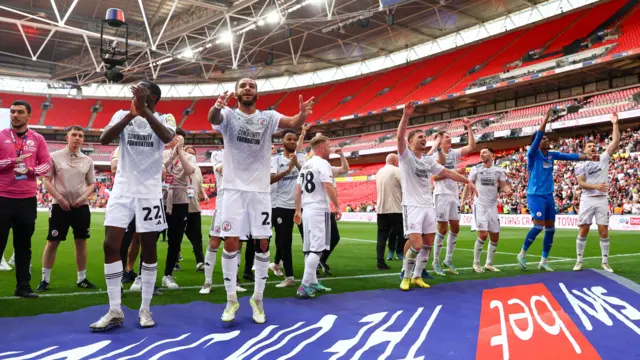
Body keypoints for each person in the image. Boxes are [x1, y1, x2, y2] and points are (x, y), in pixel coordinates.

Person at [208, 78, 314, 324]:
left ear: (256, 93)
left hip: (259, 191)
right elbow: (213, 119)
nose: (247, 88)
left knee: (263, 243)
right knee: (231, 242)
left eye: (252, 86)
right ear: (236, 93)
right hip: (233, 188)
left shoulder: (268, 117)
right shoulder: (227, 115)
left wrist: (301, 114)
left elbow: (294, 123)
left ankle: (257, 299)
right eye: (243, 85)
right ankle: (231, 299)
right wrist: (216, 106)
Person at [90, 81, 175, 331]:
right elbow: (105, 138)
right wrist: (131, 113)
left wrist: (145, 111)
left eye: (142, 93)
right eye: (134, 93)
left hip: (149, 192)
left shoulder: (164, 117)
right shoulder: (121, 114)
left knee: (148, 247)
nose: (136, 96)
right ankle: (115, 309)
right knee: (110, 244)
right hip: (123, 189)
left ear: (154, 98)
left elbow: (168, 137)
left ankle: (145, 308)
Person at [396, 101, 476, 291]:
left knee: (428, 244)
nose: (424, 139)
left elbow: (448, 172)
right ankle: (405, 276)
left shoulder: (428, 160)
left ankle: (416, 276)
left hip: (427, 206)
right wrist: (406, 116)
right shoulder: (405, 157)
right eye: (419, 137)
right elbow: (399, 136)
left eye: (425, 137)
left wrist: (467, 181)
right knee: (416, 244)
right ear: (410, 142)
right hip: (412, 206)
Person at [517, 108, 596, 272]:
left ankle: (543, 261)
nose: (546, 140)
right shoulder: (533, 155)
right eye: (543, 138)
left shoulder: (552, 155)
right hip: (535, 196)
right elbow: (538, 136)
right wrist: (546, 118)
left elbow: (571, 157)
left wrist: (588, 157)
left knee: (551, 229)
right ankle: (522, 253)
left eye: (546, 138)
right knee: (538, 226)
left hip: (548, 197)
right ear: (537, 143)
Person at [0, 100, 51, 298]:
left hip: (26, 200)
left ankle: (23, 286)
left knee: (23, 245)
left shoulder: (38, 139)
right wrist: (13, 162)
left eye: (20, 112)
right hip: (2, 197)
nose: (15, 115)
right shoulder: (2, 136)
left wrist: (30, 170)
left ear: (29, 115)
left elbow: (46, 166)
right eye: (13, 112)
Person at [37, 126, 97, 291]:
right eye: (74, 135)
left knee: (81, 242)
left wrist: (82, 198)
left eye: (80, 136)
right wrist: (60, 198)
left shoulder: (87, 160)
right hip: (60, 206)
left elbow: (92, 184)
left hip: (81, 207)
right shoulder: (54, 157)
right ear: (67, 137)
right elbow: (47, 181)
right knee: (53, 241)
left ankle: (82, 278)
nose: (77, 138)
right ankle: (45, 280)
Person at [293, 135, 340, 298]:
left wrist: (298, 210)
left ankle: (312, 282)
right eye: (328, 146)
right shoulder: (323, 163)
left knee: (309, 248)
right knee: (317, 248)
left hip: (307, 210)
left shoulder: (306, 165)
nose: (330, 149)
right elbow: (327, 185)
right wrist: (338, 206)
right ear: (321, 148)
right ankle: (305, 285)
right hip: (319, 209)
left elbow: (298, 191)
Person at [574, 112, 619, 272]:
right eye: (589, 146)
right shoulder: (580, 163)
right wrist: (596, 187)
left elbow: (615, 142)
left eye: (594, 145)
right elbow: (580, 183)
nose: (593, 147)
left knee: (603, 230)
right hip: (587, 199)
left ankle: (605, 262)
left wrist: (615, 123)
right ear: (584, 149)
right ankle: (579, 261)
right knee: (584, 229)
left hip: (601, 199)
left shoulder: (603, 158)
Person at [430, 118, 476, 276]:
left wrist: (469, 127)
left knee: (455, 226)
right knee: (442, 228)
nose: (450, 138)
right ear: (440, 141)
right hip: (441, 194)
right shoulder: (436, 157)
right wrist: (456, 173)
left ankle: (448, 259)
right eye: (446, 136)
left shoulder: (454, 153)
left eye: (450, 136)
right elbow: (435, 178)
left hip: (453, 194)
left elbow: (471, 146)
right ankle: (435, 261)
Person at [200, 149, 247, 295]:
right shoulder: (218, 154)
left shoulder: (243, 152)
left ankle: (234, 280)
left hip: (240, 201)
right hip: (223, 202)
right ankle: (207, 282)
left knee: (237, 242)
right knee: (215, 241)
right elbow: (224, 170)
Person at [461, 147, 511, 273]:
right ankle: (476, 263)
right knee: (483, 234)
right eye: (480, 153)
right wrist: (463, 201)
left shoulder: (498, 170)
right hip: (480, 205)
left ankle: (489, 264)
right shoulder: (476, 169)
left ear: (492, 155)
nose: (481, 154)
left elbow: (503, 185)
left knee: (495, 236)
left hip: (492, 206)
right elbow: (468, 184)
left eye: (484, 152)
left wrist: (508, 191)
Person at [269, 125, 308, 287]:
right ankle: (289, 277)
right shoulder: (275, 160)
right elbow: (270, 179)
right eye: (288, 139)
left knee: (309, 240)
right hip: (281, 206)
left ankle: (310, 276)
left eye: (294, 139)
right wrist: (288, 170)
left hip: (301, 206)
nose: (292, 142)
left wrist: (297, 164)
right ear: (282, 141)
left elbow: (307, 175)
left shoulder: (301, 158)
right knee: (285, 242)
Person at [161, 127, 197, 289]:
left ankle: (168, 274)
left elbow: (189, 171)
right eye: (174, 136)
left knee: (175, 240)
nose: (176, 139)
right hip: (162, 198)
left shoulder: (190, 156)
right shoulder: (162, 153)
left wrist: (180, 152)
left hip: (181, 200)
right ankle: (143, 274)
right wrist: (173, 153)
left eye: (180, 137)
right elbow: (158, 170)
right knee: (150, 238)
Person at [317, 146, 349, 276]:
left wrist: (341, 155)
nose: (329, 150)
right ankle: (313, 268)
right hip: (316, 208)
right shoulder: (314, 166)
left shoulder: (329, 168)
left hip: (326, 208)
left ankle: (321, 260)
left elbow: (345, 169)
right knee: (317, 240)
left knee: (334, 237)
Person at [375, 153, 403, 270]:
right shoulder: (397, 170)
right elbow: (405, 187)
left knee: (381, 236)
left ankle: (380, 261)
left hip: (381, 209)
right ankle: (407, 259)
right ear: (395, 161)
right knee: (403, 235)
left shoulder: (379, 172)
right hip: (396, 209)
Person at [184, 145, 207, 272]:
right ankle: (174, 262)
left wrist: (204, 194)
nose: (191, 155)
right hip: (180, 207)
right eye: (188, 153)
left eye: (193, 153)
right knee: (175, 238)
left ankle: (200, 261)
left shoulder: (197, 169)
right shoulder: (179, 165)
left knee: (197, 238)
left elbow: (200, 184)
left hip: (194, 208)